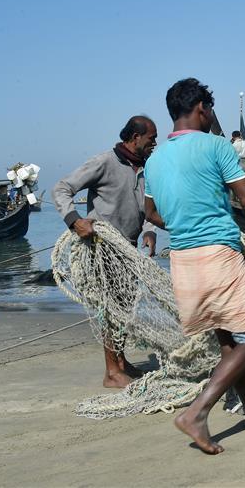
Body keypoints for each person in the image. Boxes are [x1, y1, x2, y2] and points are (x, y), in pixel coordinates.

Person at [143, 78, 245, 455]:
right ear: (202, 108)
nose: (211, 115)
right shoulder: (217, 146)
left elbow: (151, 213)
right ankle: (197, 412)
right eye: (210, 109)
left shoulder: (154, 159)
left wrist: (184, 224)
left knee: (230, 339)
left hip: (183, 261)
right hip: (218, 255)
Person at [53, 115, 158, 388]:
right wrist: (74, 220)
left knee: (124, 306)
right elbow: (62, 189)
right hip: (102, 248)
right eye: (151, 139)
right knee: (109, 308)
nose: (154, 144)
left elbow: (147, 207)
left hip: (128, 248)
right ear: (135, 138)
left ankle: (121, 362)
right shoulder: (104, 162)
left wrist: (149, 230)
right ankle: (111, 372)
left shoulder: (145, 167)